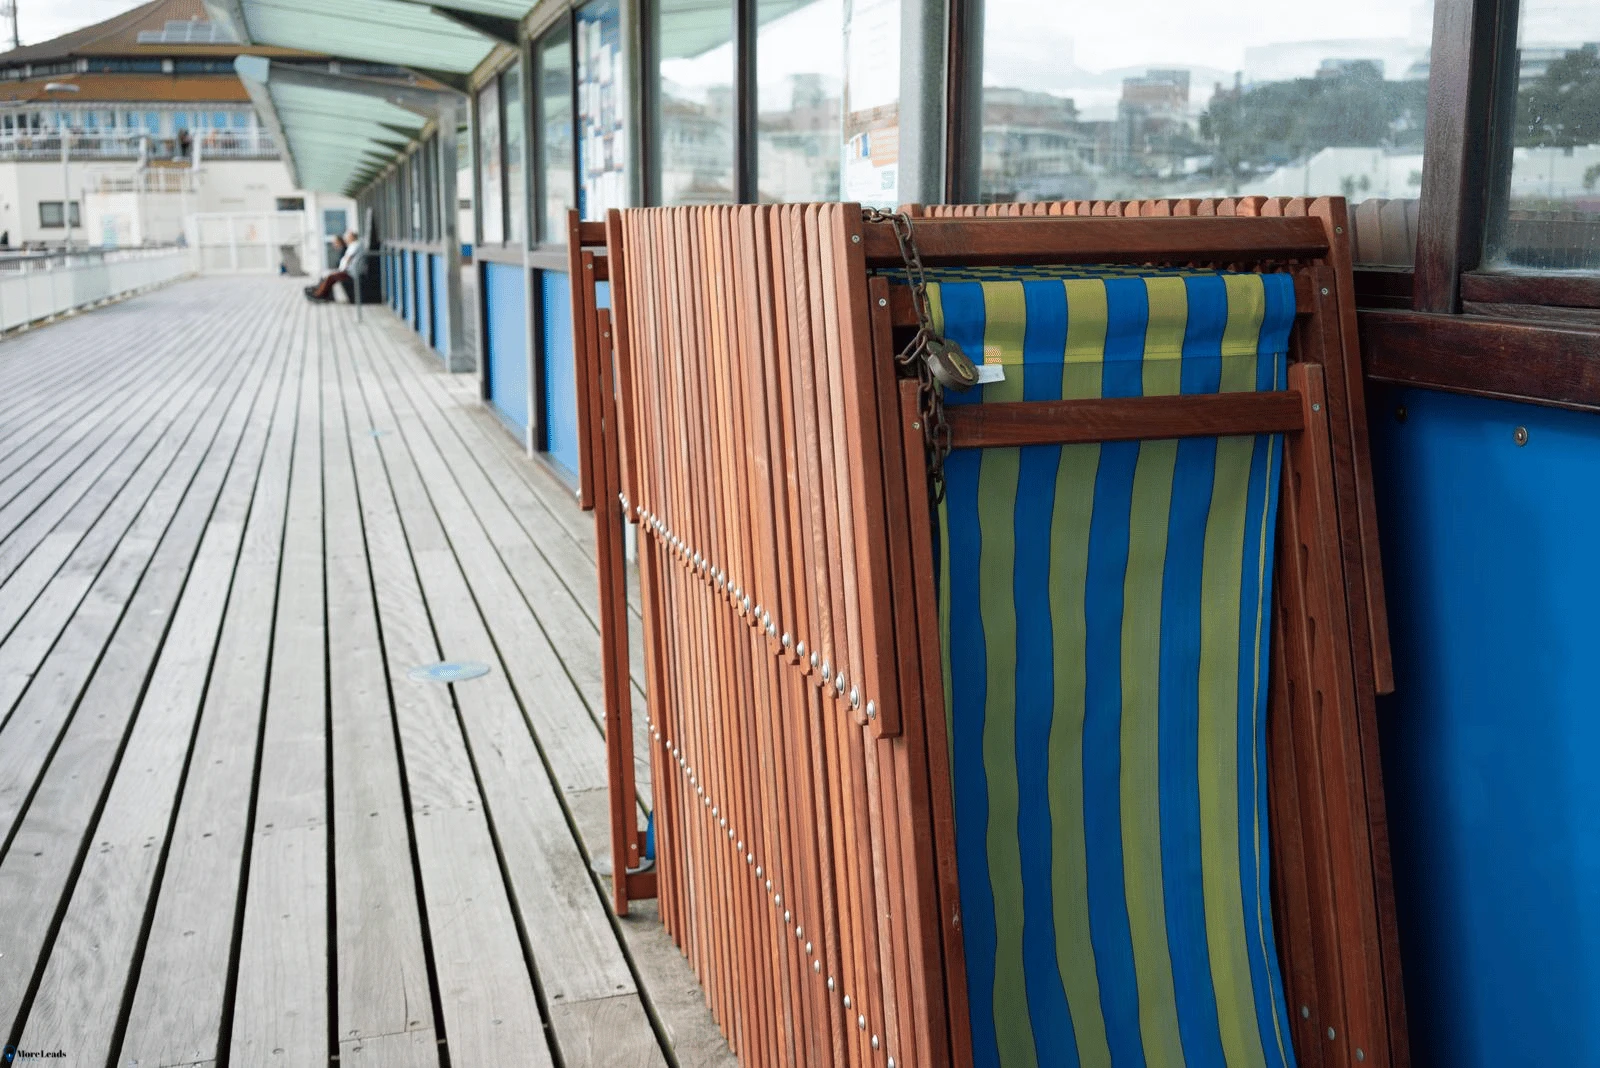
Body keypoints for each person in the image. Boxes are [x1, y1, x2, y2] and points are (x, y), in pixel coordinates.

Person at [305, 230, 363, 302]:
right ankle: (322, 293)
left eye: (348, 237)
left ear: (352, 237)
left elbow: (349, 258)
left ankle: (319, 294)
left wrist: (342, 269)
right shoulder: (353, 245)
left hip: (349, 271)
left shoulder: (355, 245)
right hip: (347, 270)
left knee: (331, 277)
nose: (346, 239)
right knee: (329, 275)